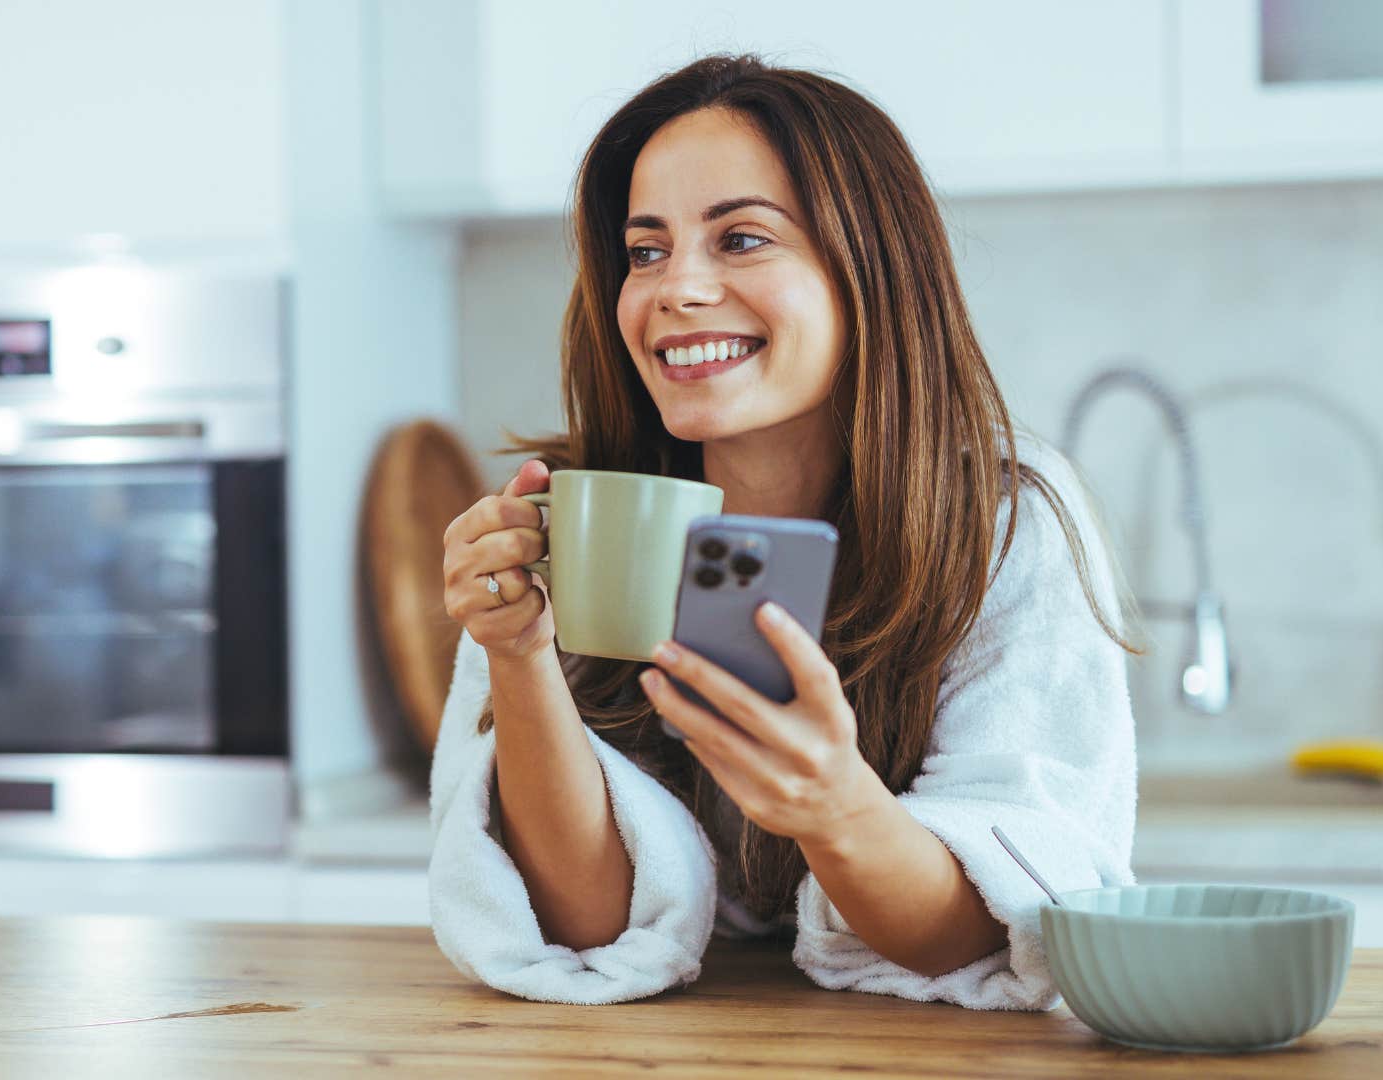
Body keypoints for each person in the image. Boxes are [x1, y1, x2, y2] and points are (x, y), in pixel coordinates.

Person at [428, 54, 1138, 1010]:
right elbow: (586, 926)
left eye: (742, 238)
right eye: (645, 251)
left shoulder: (1003, 517)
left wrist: (834, 805)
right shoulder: (582, 511)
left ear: (869, 268)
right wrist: (517, 656)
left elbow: (985, 930)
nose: (675, 289)